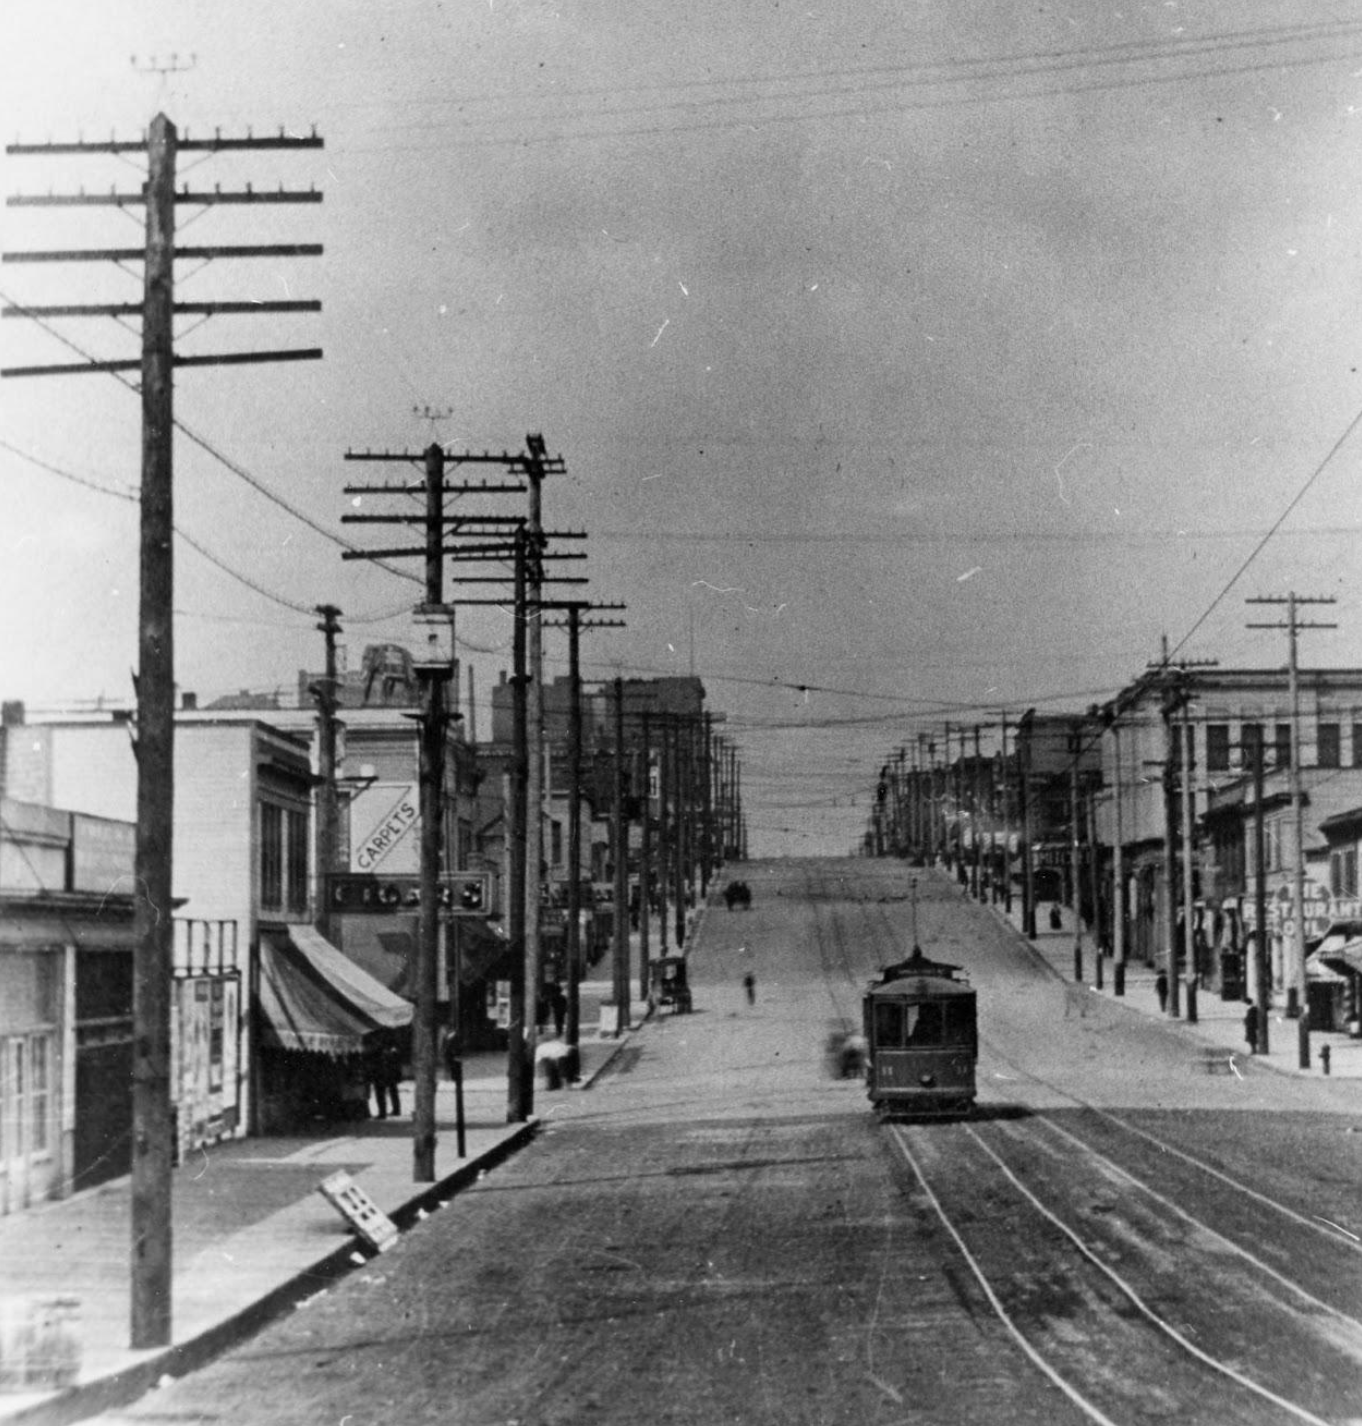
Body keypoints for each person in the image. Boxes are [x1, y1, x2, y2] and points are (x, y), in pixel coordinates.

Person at [368, 1032, 402, 1119]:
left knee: (381, 1093)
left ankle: (383, 1112)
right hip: (389, 1073)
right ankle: (395, 1109)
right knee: (392, 1091)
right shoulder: (392, 1050)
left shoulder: (380, 1050)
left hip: (382, 1074)